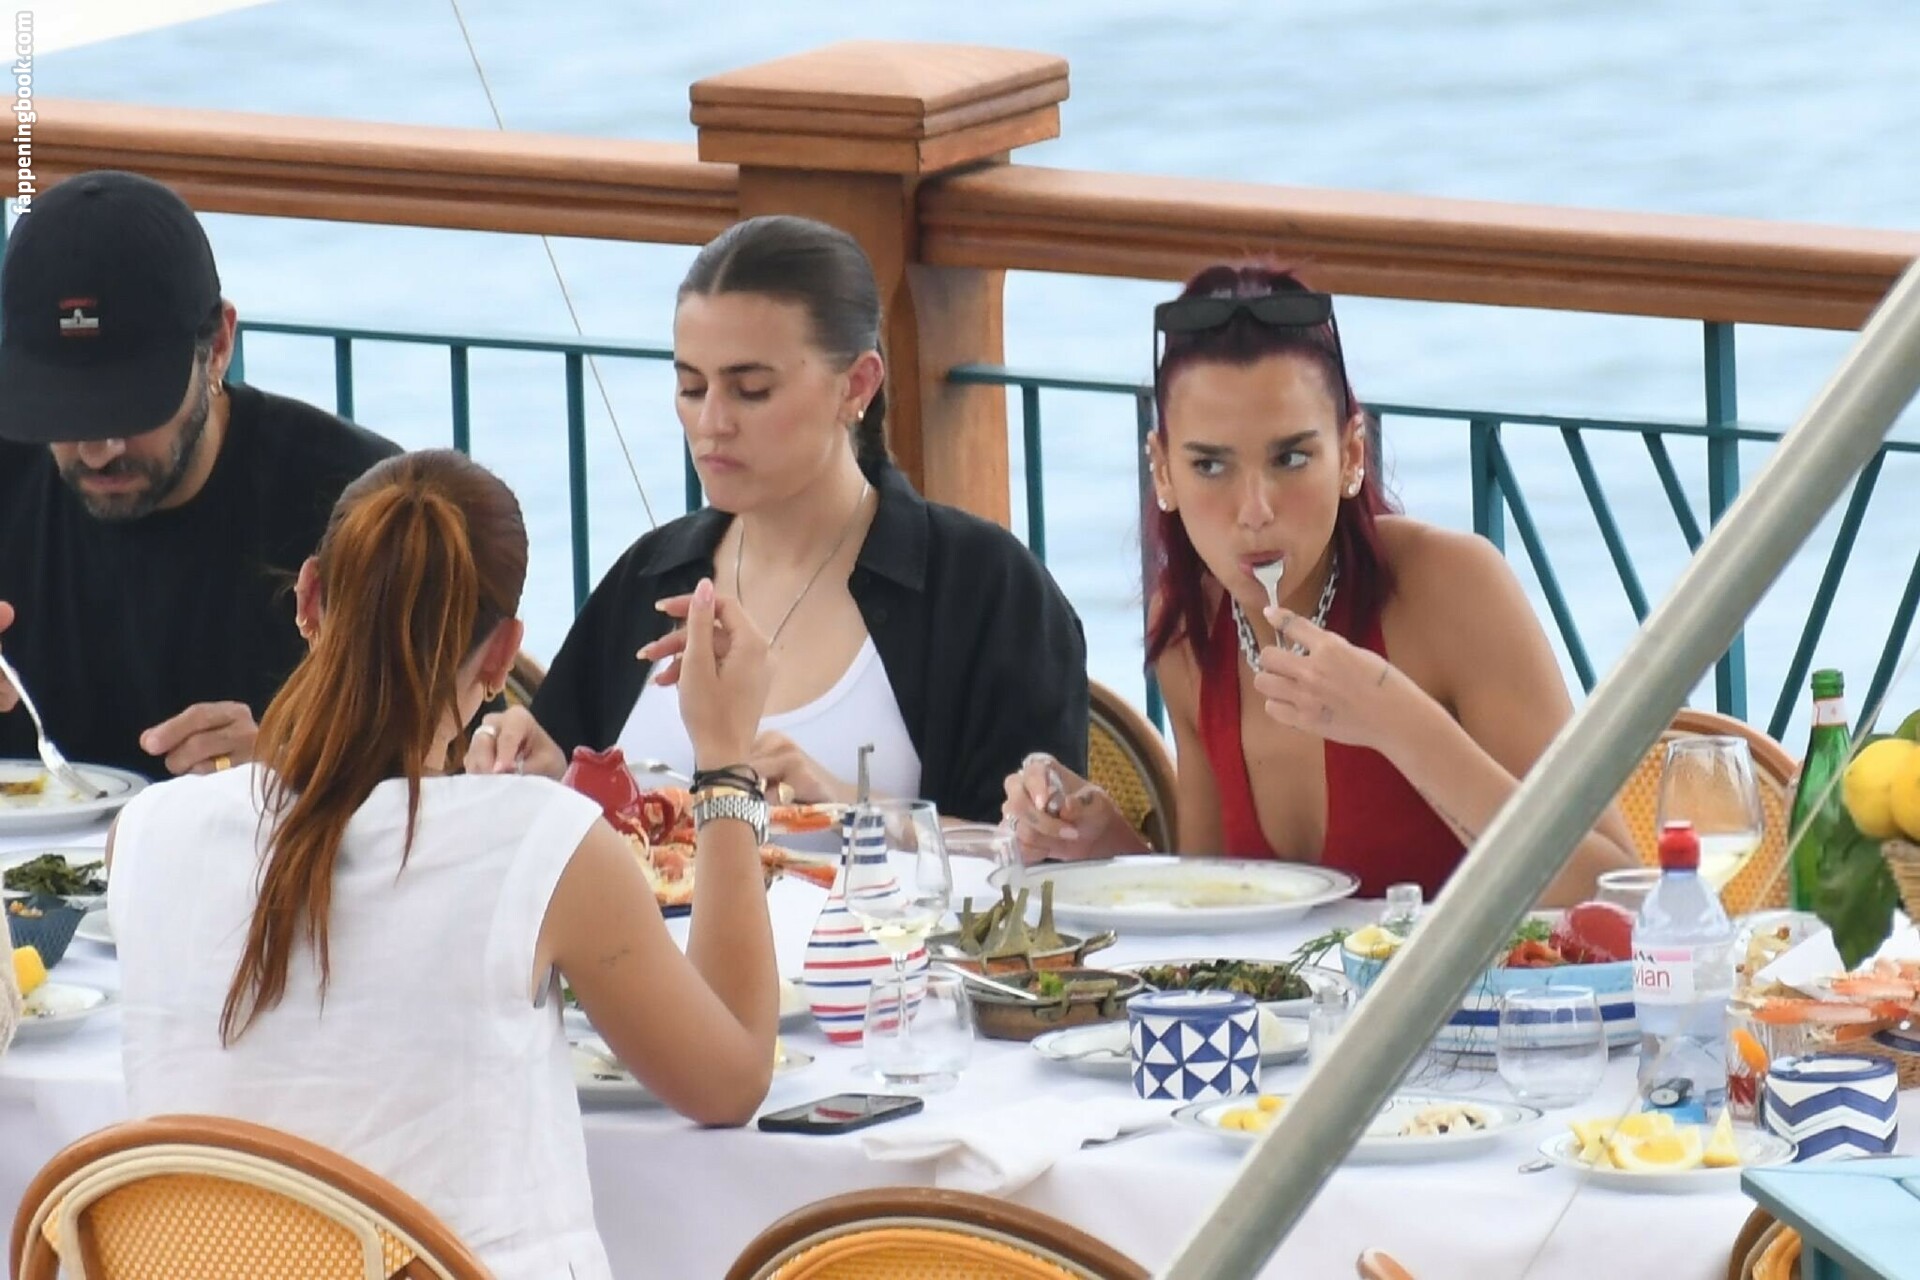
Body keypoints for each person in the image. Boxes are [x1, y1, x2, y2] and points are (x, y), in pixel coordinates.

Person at [106, 451, 780, 1280]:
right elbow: (730, 1081)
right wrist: (725, 761)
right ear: (502, 658)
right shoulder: (543, 847)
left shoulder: (144, 835)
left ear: (309, 598)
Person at [1003, 265, 1635, 905]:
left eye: (1291, 458)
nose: (1255, 511)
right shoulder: (1189, 627)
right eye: (1211, 465)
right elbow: (1212, 911)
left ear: (1352, 455)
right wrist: (1104, 848)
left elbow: (1617, 894)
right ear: (1163, 472)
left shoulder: (1451, 587)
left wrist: (1397, 721)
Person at [469, 215, 1088, 822]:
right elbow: (567, 800)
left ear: (857, 385)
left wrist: (853, 811)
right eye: (691, 388)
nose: (712, 423)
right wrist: (538, 771)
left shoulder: (984, 588)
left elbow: (1039, 851)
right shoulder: (651, 576)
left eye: (752, 390)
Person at [0, 169, 397, 780]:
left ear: (218, 347)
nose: (98, 450)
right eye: (61, 409)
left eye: (132, 405)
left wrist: (295, 768)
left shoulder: (361, 503)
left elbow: (459, 765)